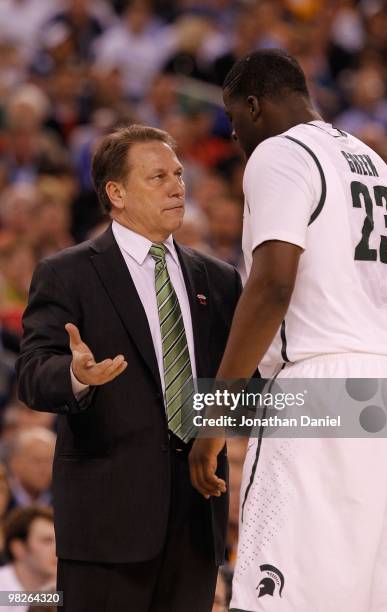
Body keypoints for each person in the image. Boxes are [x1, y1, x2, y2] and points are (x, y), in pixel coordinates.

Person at [189, 49, 387, 612]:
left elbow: (272, 285)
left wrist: (215, 416)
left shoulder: (280, 153)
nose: (237, 137)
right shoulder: (370, 158)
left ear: (254, 105)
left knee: (280, 595)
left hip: (320, 382)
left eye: (235, 121)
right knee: (370, 596)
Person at [16, 124, 242, 611]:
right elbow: (32, 376)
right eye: (158, 176)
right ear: (115, 193)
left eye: (179, 174)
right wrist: (77, 376)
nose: (177, 186)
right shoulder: (67, 273)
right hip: (106, 528)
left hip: (197, 521)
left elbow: (245, 381)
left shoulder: (220, 280)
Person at [0, 506, 56, 612]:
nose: (56, 550)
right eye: (47, 541)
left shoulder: (68, 589)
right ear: (19, 548)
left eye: (58, 541)